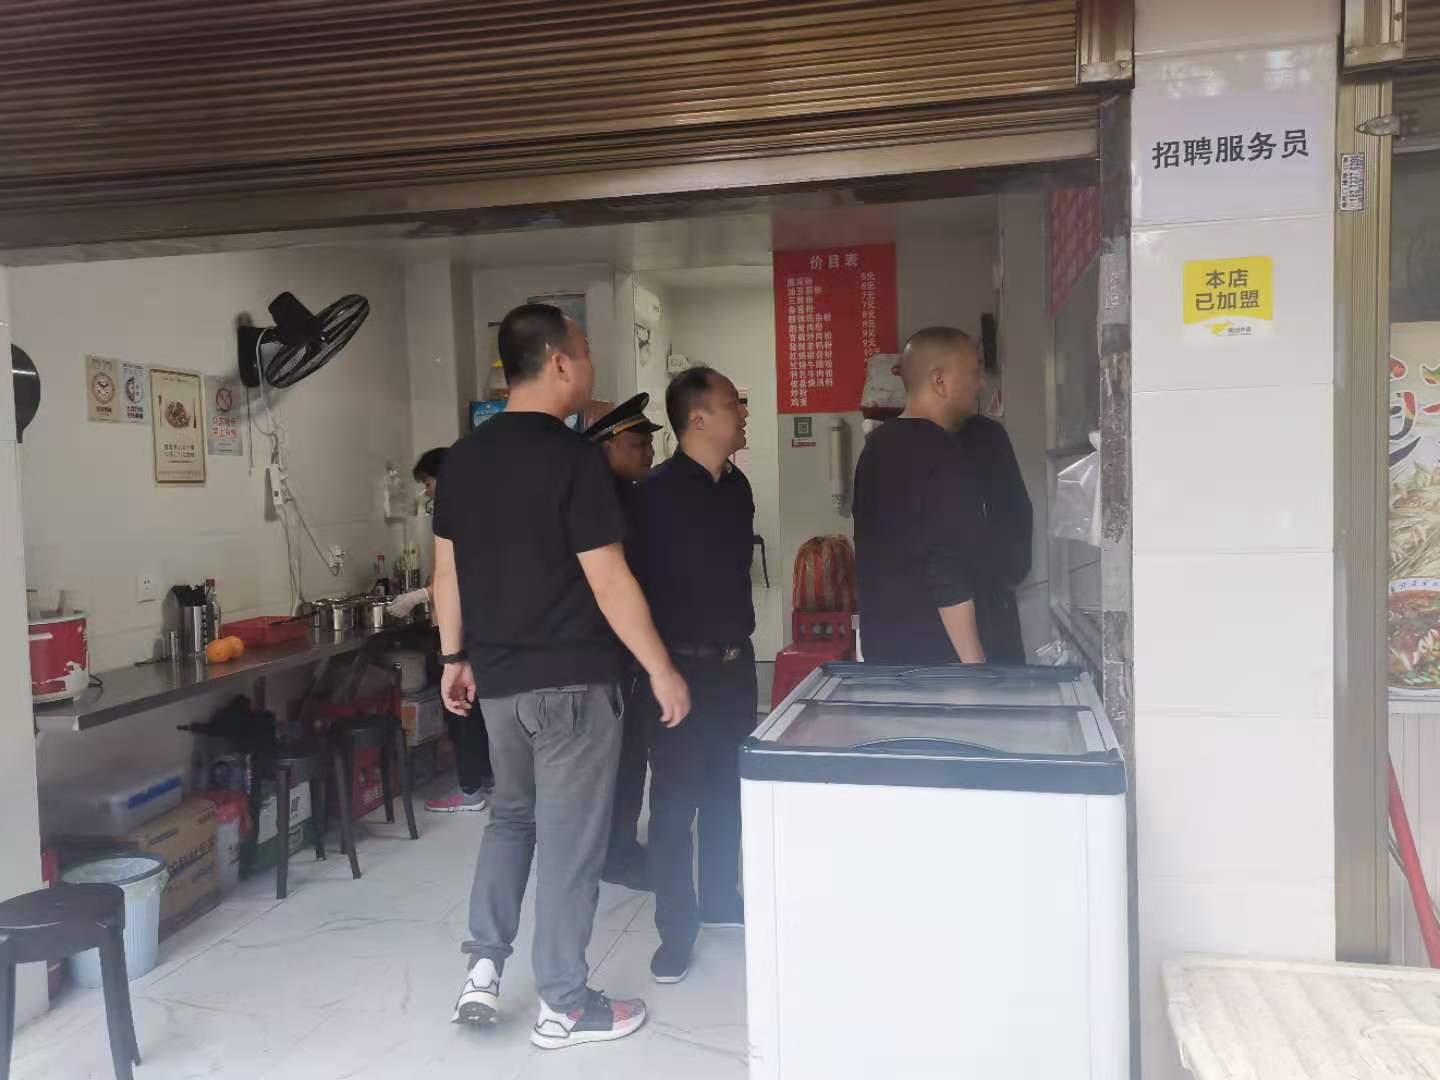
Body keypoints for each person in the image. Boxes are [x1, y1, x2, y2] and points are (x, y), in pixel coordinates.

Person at [432, 303, 690, 1050]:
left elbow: (447, 573)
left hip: (499, 686)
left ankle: (483, 968)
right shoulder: (576, 460)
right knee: (572, 844)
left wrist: (453, 659)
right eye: (585, 351)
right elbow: (608, 579)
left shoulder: (461, 460)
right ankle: (565, 1004)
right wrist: (661, 668)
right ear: (558, 362)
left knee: (511, 820)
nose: (590, 365)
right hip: (572, 684)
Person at [626, 367, 756, 984]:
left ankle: (722, 897)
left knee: (730, 787)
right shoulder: (651, 496)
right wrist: (654, 670)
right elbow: (630, 593)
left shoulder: (738, 487)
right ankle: (675, 931)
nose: (744, 412)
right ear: (699, 418)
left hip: (735, 666)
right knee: (676, 805)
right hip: (677, 671)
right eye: (734, 403)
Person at [853, 326, 987, 666]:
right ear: (940, 381)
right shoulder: (942, 451)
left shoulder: (875, 447)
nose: (980, 384)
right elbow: (946, 566)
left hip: (883, 651)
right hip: (935, 662)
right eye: (973, 373)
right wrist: (974, 666)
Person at [581, 394, 661, 890]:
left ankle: (616, 845)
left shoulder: (626, 493)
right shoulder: (604, 501)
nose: (649, 452)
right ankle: (616, 853)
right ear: (606, 447)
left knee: (628, 755)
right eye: (638, 443)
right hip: (610, 653)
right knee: (621, 758)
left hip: (621, 652)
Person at [391, 447, 494, 812]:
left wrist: (419, 596)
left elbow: (459, 575)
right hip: (468, 629)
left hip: (460, 634)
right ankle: (482, 778)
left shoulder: (460, 512)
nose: (427, 490)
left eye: (428, 482)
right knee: (472, 709)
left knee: (460, 710)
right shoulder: (473, 509)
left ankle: (469, 790)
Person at [955, 413, 1033, 664]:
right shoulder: (986, 435)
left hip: (922, 624)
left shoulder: (907, 442)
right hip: (990, 601)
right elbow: (1016, 513)